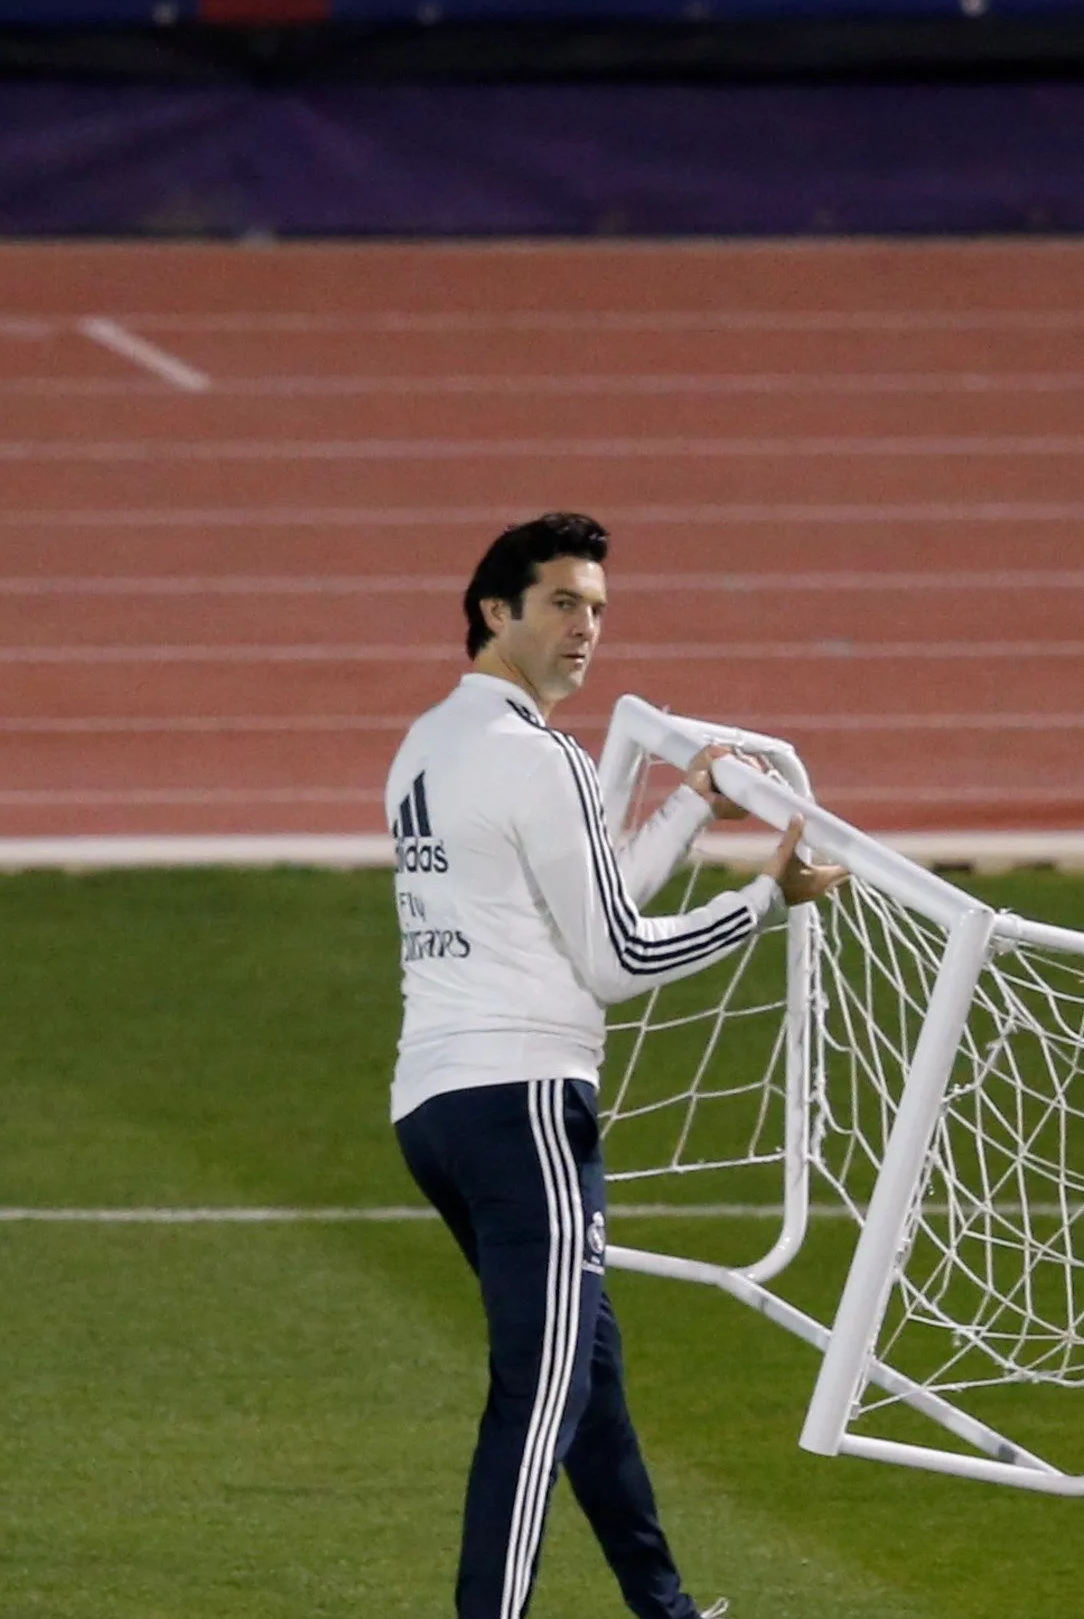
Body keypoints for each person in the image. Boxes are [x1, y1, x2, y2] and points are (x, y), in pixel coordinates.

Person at [385, 511, 844, 1619]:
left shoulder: (432, 744)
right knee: (540, 1398)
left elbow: (585, 905)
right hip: (526, 1104)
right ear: (494, 612)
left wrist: (692, 800)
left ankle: (665, 1609)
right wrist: (761, 900)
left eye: (596, 608)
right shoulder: (536, 758)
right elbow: (619, 959)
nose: (586, 628)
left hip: (436, 1104)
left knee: (583, 1382)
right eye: (561, 604)